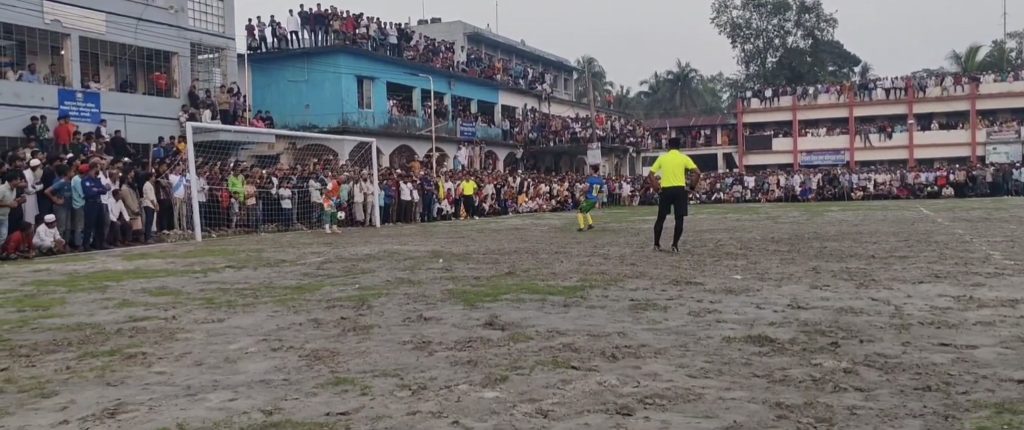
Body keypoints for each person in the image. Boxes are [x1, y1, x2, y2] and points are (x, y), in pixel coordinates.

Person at [649, 137, 700, 253]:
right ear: (679, 146)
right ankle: (675, 245)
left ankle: (656, 244)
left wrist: (656, 188)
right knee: (679, 219)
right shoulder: (684, 158)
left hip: (666, 190)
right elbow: (697, 172)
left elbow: (651, 174)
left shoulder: (663, 158)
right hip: (679, 190)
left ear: (668, 146)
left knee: (660, 218)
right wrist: (692, 187)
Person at [577, 165, 605, 232]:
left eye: (590, 169)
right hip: (594, 199)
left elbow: (586, 189)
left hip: (589, 199)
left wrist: (580, 193)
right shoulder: (600, 180)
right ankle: (590, 224)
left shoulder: (590, 179)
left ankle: (581, 227)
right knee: (586, 211)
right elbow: (599, 190)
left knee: (579, 211)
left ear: (592, 170)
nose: (589, 171)